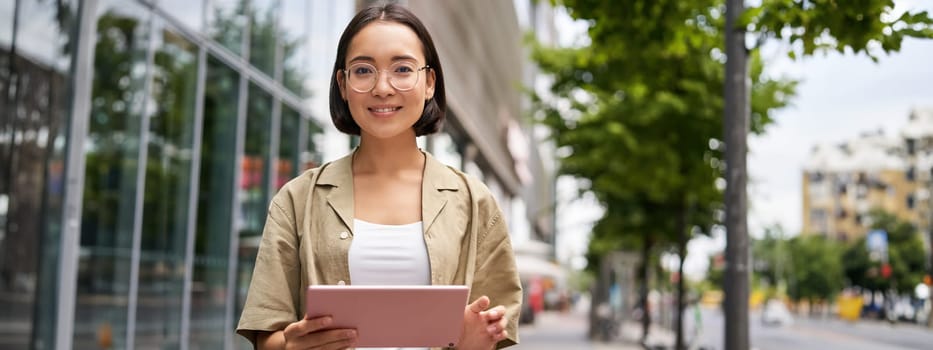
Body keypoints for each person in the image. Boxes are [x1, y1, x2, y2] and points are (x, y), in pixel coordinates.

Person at [235, 4, 523, 350]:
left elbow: (498, 328)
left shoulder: (475, 202)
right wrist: (290, 345)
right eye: (363, 70)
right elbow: (266, 333)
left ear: (429, 82)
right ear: (343, 84)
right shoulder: (298, 199)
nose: (382, 87)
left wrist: (472, 341)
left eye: (402, 69)